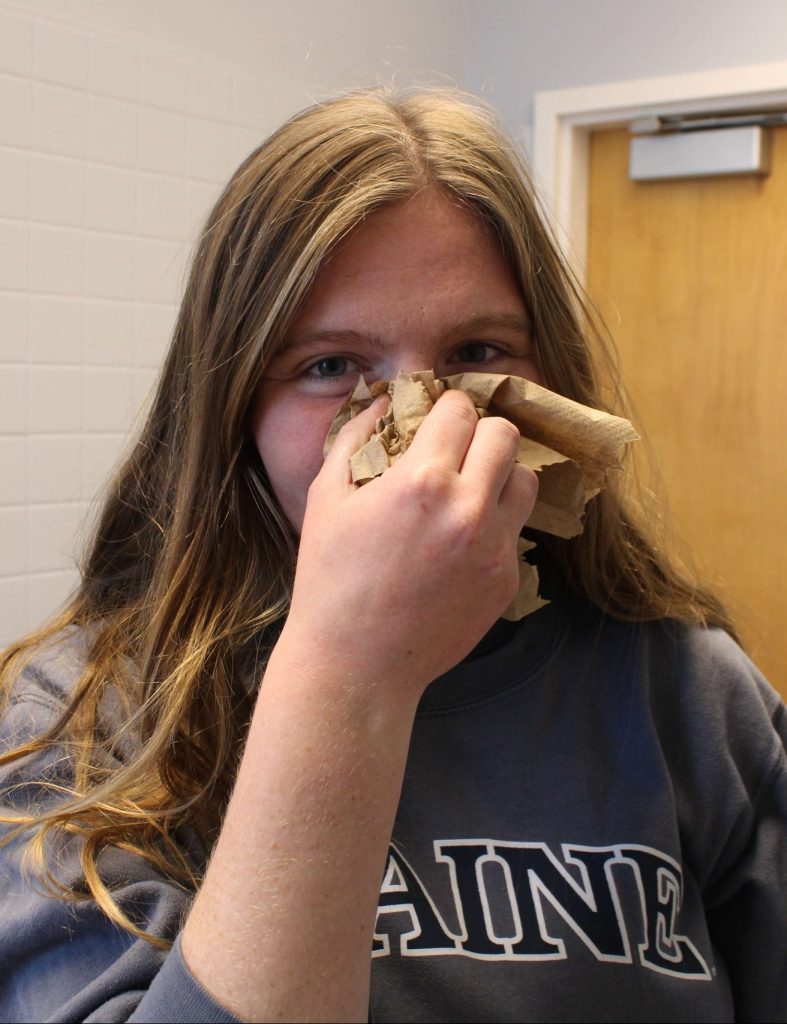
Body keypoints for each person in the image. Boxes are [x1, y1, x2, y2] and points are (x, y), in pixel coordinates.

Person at [0, 87, 784, 1024]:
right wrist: (347, 673)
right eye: (330, 366)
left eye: (477, 350)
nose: (422, 432)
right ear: (232, 408)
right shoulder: (82, 725)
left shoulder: (689, 696)